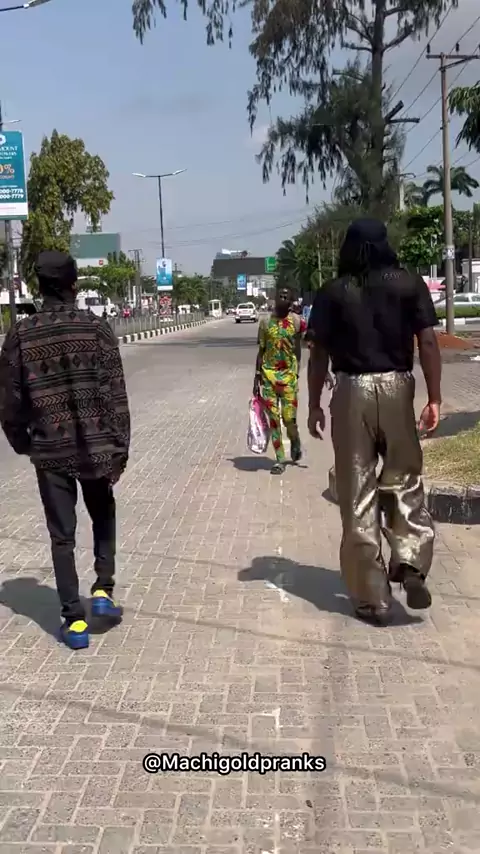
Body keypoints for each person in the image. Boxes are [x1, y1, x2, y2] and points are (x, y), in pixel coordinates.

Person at [307, 218, 441, 625]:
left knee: (357, 491)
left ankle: (372, 598)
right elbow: (428, 342)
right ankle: (411, 561)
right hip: (398, 387)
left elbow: (318, 354)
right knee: (404, 478)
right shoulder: (409, 284)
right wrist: (434, 397)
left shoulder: (333, 291)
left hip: (351, 392)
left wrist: (313, 405)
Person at [0, 250, 130, 650]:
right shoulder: (97, 328)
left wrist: (25, 443)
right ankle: (103, 589)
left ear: (40, 288)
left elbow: (9, 402)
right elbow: (116, 394)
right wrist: (120, 449)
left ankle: (74, 622)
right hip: (97, 445)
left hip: (50, 450)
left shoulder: (21, 335)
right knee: (102, 513)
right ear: (74, 284)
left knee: (62, 537)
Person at [253, 287, 306, 475]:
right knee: (274, 419)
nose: (283, 298)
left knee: (289, 418)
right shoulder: (265, 322)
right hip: (268, 376)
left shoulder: (297, 322)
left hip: (289, 377)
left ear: (291, 301)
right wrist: (257, 377)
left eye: (286, 296)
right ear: (275, 298)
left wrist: (298, 370)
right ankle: (280, 459)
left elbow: (304, 345)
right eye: (280, 296)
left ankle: (295, 440)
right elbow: (261, 350)